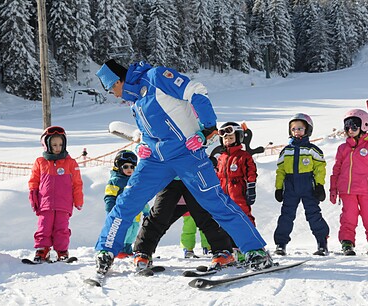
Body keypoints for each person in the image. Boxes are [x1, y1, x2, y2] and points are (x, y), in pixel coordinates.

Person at [94, 59, 271, 274]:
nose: (112, 93)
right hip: (156, 160)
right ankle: (105, 250)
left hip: (187, 154)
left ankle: (255, 250)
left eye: (111, 87)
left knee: (215, 201)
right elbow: (155, 127)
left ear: (119, 80)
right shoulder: (135, 100)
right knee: (127, 201)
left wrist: (207, 130)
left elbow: (196, 91)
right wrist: (145, 145)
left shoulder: (157, 77)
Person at [133, 178, 235, 269]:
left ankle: (222, 251)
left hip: (193, 181)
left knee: (205, 217)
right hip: (170, 181)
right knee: (159, 217)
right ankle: (143, 252)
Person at [330, 109, 368, 255]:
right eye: (347, 126)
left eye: (354, 126)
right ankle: (347, 243)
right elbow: (336, 170)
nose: (350, 130)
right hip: (347, 191)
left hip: (367, 191)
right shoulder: (342, 148)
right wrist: (333, 189)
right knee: (348, 217)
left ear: (364, 125)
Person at [273, 114, 329, 256]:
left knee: (313, 214)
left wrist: (319, 185)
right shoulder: (286, 151)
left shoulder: (312, 150)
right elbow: (280, 171)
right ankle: (281, 244)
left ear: (307, 130)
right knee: (286, 215)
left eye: (300, 128)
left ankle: (322, 243)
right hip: (290, 187)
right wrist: (279, 188)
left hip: (308, 187)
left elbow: (320, 168)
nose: (296, 131)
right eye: (293, 129)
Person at [28, 126, 83, 262]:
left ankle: (62, 251)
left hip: (63, 203)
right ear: (46, 145)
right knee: (43, 227)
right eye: (54, 145)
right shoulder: (40, 162)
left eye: (60, 144)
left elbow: (77, 183)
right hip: (45, 203)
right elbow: (34, 181)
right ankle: (42, 250)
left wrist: (78, 200)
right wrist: (33, 196)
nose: (58, 148)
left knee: (61, 228)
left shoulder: (70, 163)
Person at [215, 121, 258, 262]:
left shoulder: (243, 156)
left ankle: (254, 247)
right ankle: (232, 250)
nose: (228, 141)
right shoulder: (221, 158)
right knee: (225, 221)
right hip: (224, 195)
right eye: (225, 138)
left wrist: (251, 188)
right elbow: (217, 176)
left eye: (231, 138)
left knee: (244, 218)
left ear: (238, 138)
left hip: (238, 193)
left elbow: (251, 172)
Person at [104, 150, 150, 258]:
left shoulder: (135, 181)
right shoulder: (115, 181)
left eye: (132, 167)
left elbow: (141, 198)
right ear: (119, 167)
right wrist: (110, 211)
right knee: (124, 232)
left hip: (136, 215)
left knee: (133, 233)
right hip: (122, 215)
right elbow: (109, 197)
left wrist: (146, 211)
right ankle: (119, 249)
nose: (129, 169)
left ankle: (128, 249)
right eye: (125, 167)